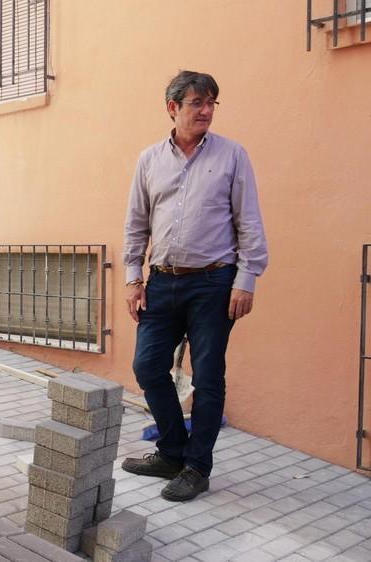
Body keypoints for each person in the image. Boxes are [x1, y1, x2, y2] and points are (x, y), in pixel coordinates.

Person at [121, 71, 268, 502]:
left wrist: (246, 280)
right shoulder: (149, 160)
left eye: (211, 103)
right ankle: (170, 452)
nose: (205, 111)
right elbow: (136, 225)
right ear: (173, 108)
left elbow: (249, 221)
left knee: (207, 376)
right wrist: (133, 278)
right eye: (196, 103)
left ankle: (196, 467)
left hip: (214, 283)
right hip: (162, 281)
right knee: (147, 366)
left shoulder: (232, 156)